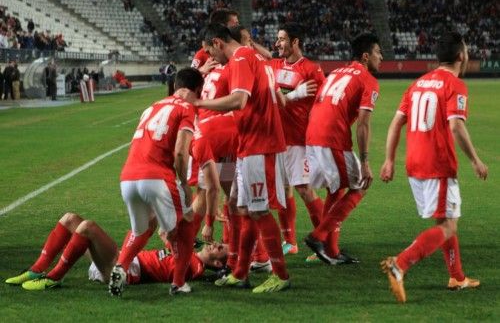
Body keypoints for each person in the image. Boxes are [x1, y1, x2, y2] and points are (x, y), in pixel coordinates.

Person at [379, 31, 488, 303]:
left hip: (413, 163)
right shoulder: (454, 84)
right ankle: (399, 264)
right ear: (461, 56)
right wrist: (475, 159)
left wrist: (389, 160)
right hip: (437, 164)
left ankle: (457, 277)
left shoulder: (417, 84)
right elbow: (456, 125)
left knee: (446, 220)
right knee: (449, 225)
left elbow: (395, 124)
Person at [191, 23, 290, 293]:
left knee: (258, 209)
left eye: (210, 50)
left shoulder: (243, 57)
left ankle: (280, 274)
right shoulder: (249, 57)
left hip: (261, 143)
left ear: (218, 43)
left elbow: (238, 101)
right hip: (249, 144)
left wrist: (198, 104)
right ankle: (240, 272)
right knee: (238, 205)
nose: (212, 58)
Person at [108, 67, 204, 297]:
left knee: (142, 228)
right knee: (187, 223)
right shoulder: (187, 108)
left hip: (128, 177)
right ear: (198, 90)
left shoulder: (153, 106)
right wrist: (183, 185)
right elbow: (181, 153)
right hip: (157, 176)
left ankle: (121, 267)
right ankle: (179, 282)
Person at [304, 33, 383, 265]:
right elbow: (363, 125)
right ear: (366, 56)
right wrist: (366, 161)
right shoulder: (368, 80)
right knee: (361, 183)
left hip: (313, 134)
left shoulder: (336, 72)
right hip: (331, 138)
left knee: (335, 190)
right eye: (378, 53)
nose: (382, 57)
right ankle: (318, 237)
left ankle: (332, 250)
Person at [5, 213, 228, 290]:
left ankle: (53, 278)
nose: (215, 243)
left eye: (219, 249)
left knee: (88, 227)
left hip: (122, 271)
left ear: (217, 264)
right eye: (219, 242)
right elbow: (162, 232)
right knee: (70, 219)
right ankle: (37, 270)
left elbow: (162, 232)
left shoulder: (195, 267)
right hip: (121, 259)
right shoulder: (189, 253)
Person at [269, 22, 324, 256]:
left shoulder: (311, 69)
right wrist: (292, 95)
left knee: (304, 188)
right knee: (283, 190)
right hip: (275, 138)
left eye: (282, 39)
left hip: (298, 139)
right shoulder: (272, 65)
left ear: (295, 42)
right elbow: (272, 96)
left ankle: (325, 241)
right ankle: (290, 242)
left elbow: (322, 105)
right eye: (278, 39)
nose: (277, 43)